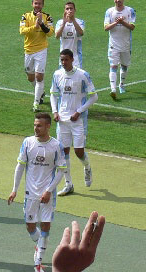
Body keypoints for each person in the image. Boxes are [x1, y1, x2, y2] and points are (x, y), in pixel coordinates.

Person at [8, 113, 67, 272]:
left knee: (46, 225)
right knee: (30, 227)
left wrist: (49, 191)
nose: (36, 128)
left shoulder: (56, 146)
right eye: (35, 125)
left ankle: (38, 262)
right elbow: (20, 166)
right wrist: (14, 190)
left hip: (47, 195)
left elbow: (61, 170)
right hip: (30, 194)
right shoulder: (28, 142)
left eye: (39, 125)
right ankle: (40, 244)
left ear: (48, 126)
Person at [51, 49, 98, 197]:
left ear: (72, 59)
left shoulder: (83, 75)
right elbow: (53, 95)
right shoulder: (57, 75)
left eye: (66, 59)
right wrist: (55, 111)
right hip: (62, 121)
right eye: (61, 60)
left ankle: (87, 167)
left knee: (79, 152)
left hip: (78, 121)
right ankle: (68, 184)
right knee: (63, 152)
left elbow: (94, 97)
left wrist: (79, 111)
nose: (63, 62)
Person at [20, 0, 54, 112]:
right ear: (32, 4)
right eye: (36, 3)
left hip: (41, 50)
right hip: (29, 50)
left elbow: (50, 33)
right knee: (30, 77)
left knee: (39, 76)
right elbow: (22, 31)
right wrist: (34, 27)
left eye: (39, 3)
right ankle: (41, 92)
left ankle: (36, 103)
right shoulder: (25, 16)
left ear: (42, 5)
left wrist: (41, 23)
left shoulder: (47, 17)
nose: (37, 5)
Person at [104, 0, 136, 99]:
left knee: (124, 65)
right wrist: (116, 22)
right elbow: (106, 28)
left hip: (126, 44)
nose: (118, 0)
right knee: (113, 66)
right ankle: (113, 89)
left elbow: (132, 27)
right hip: (113, 44)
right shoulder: (109, 12)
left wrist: (122, 22)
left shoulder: (130, 11)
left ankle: (122, 84)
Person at [54, 1, 85, 68]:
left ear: (75, 10)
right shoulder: (59, 22)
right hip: (63, 58)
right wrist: (64, 23)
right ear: (64, 11)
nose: (69, 10)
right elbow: (57, 36)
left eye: (71, 8)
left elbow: (81, 33)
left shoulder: (80, 22)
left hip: (76, 59)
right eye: (67, 9)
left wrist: (73, 20)